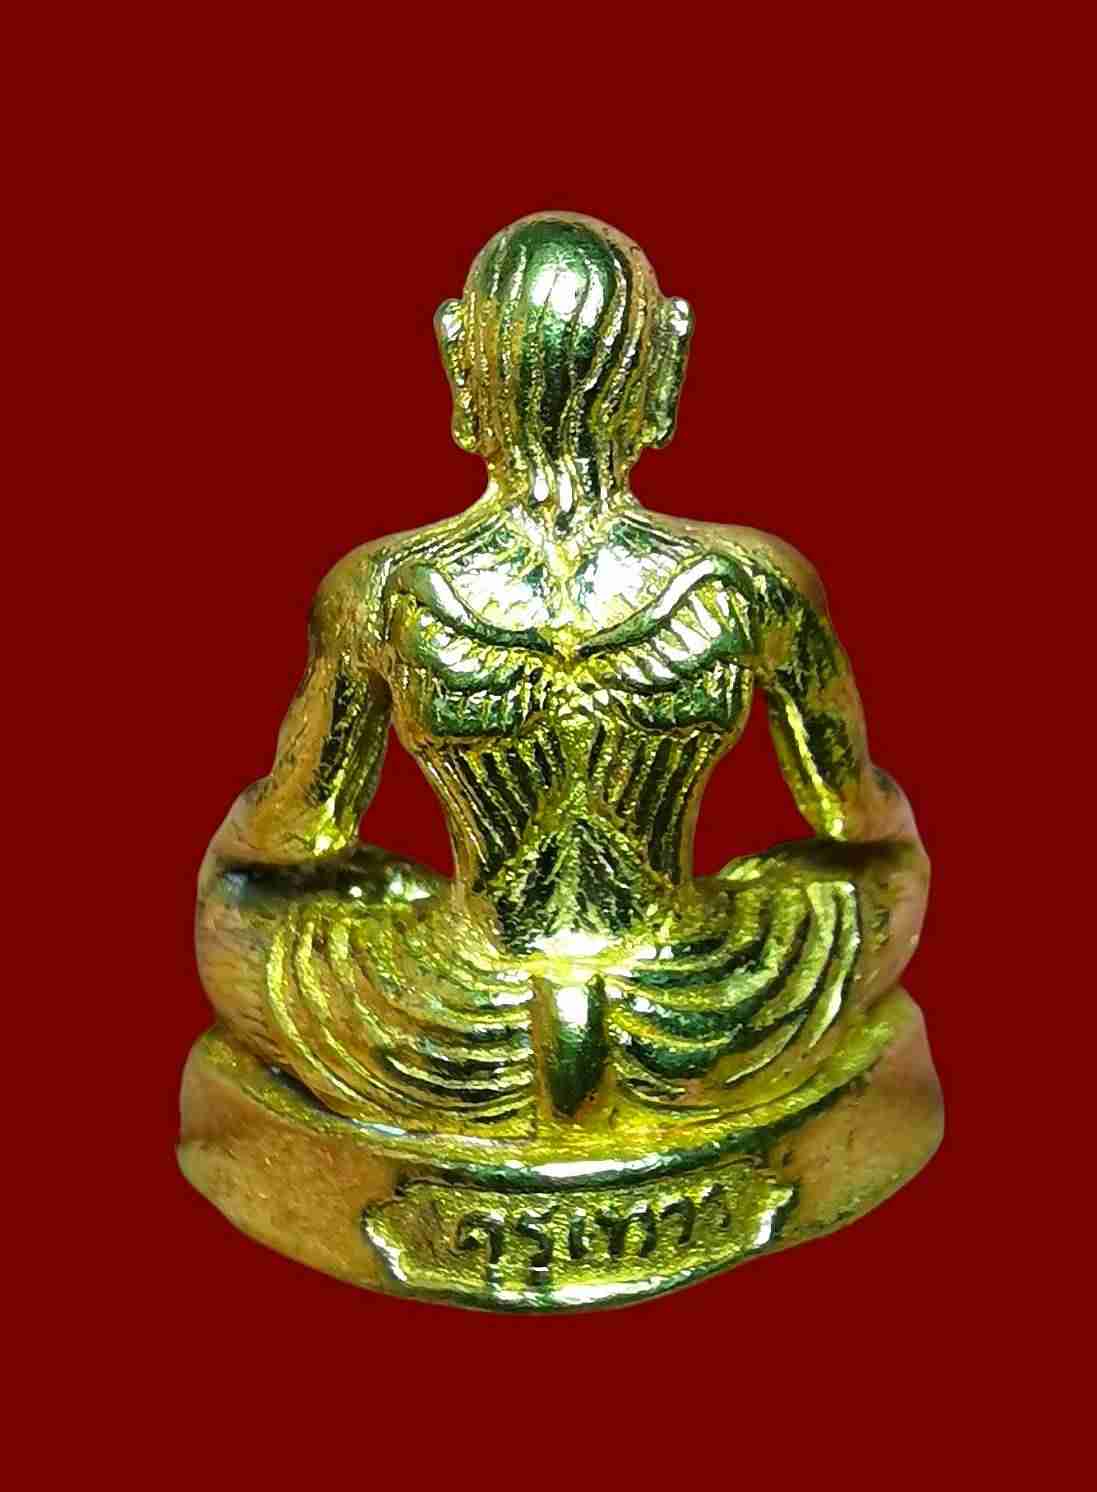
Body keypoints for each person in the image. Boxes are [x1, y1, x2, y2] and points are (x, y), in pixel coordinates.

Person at [196, 212, 930, 1143]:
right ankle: (652, 1096)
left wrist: (239, 849)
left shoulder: (381, 586)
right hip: (694, 1004)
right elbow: (847, 815)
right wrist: (888, 832)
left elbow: (302, 831)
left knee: (246, 903)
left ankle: (511, 1099)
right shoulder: (750, 579)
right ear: (666, 365)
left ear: (462, 363)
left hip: (457, 1015)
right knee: (875, 880)